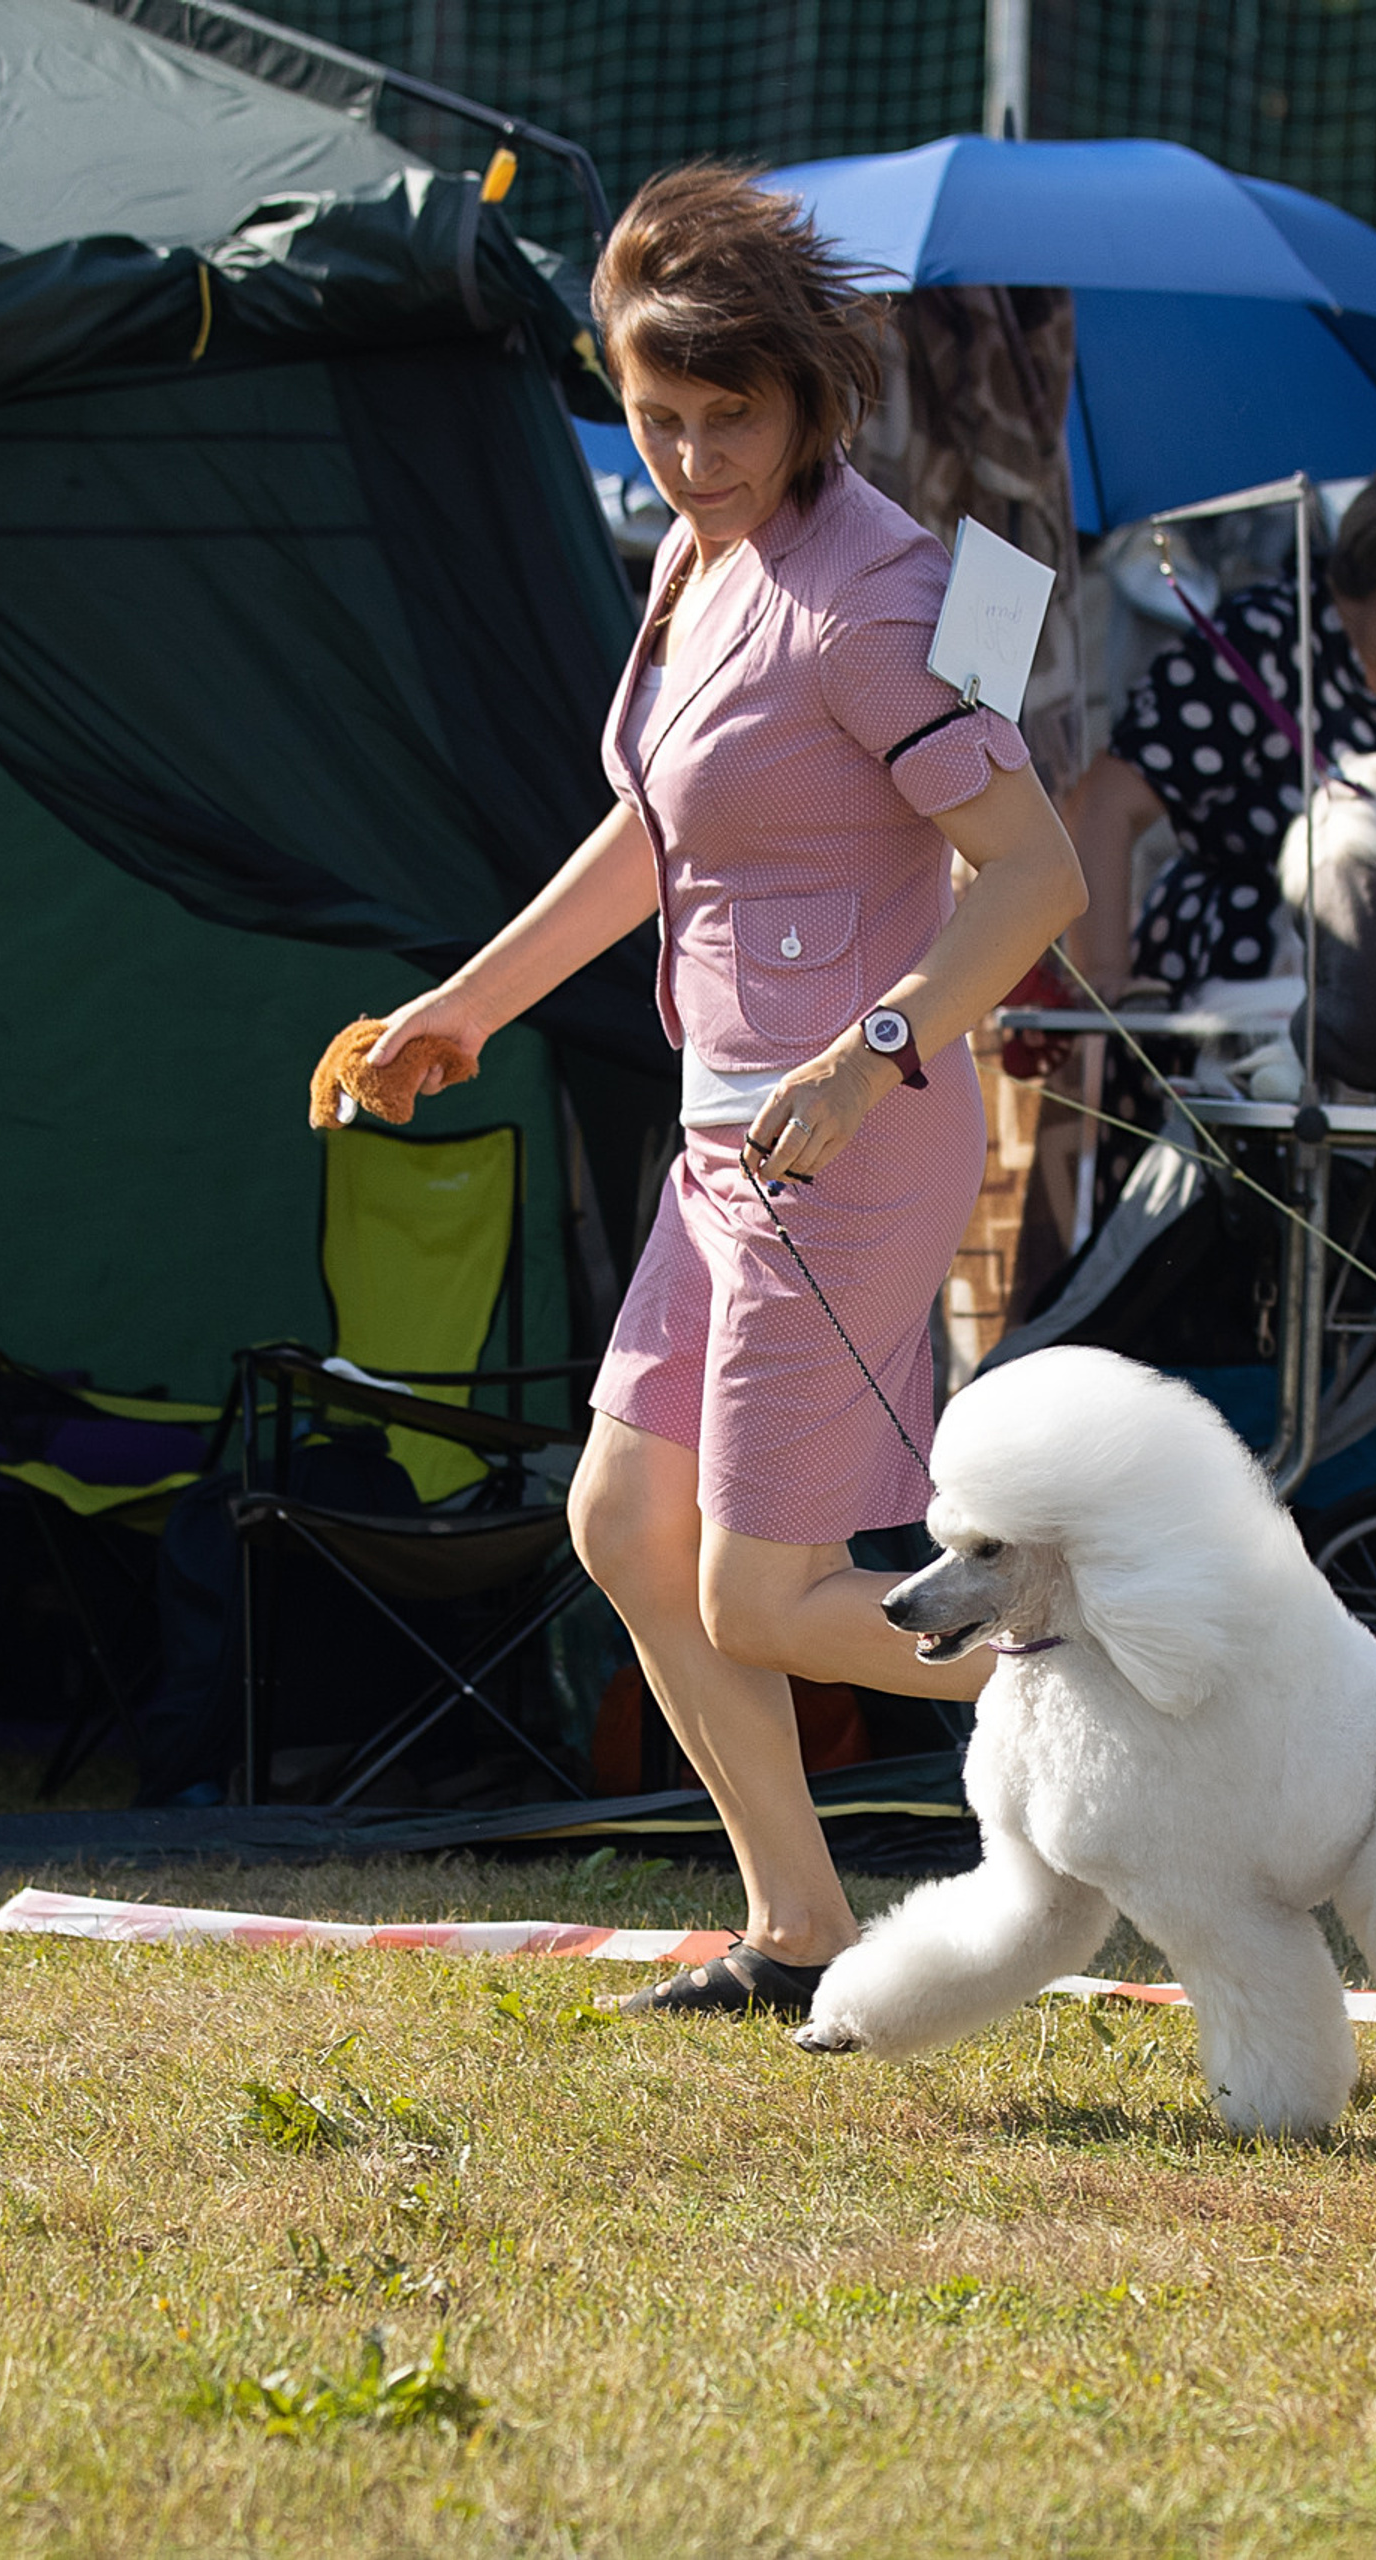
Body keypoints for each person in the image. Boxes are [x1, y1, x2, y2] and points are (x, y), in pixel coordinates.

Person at [352, 166, 1086, 2015]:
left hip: (850, 1140)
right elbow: (656, 826)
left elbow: (1036, 877)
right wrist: (469, 1006)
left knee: (762, 1592)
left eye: (726, 417)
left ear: (804, 398)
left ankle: (1150, 1671)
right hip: (729, 1141)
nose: (689, 457)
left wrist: (873, 1051)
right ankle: (800, 1930)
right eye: (655, 416)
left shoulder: (874, 600)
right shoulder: (700, 562)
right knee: (623, 1526)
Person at [1061, 457, 1376, 1202]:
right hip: (1242, 997)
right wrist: (1106, 983)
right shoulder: (1260, 642)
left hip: (1374, 1008)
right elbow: (1104, 802)